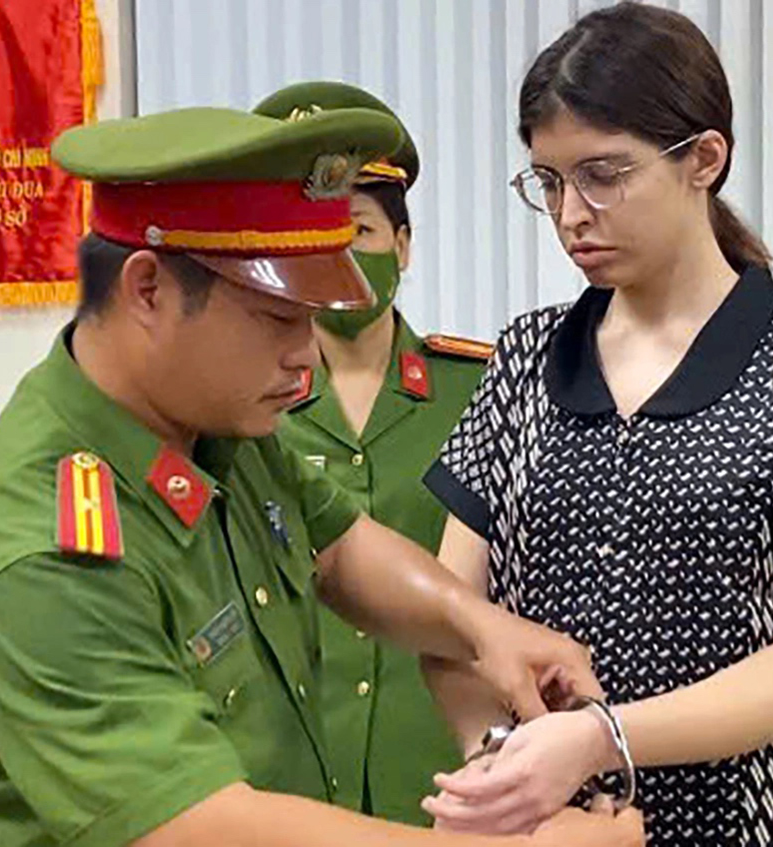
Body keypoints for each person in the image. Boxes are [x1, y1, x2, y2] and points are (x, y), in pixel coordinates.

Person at [0, 104, 642, 847]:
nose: (305, 356)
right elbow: (193, 827)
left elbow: (339, 546)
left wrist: (483, 629)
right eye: (276, 318)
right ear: (147, 290)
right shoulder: (42, 549)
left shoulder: (211, 426)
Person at [420, 3, 773, 845]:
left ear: (704, 159)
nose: (571, 213)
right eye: (548, 181)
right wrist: (501, 759)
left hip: (748, 819)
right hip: (556, 826)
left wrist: (602, 738)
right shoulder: (527, 356)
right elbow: (448, 617)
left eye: (602, 175)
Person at [257, 82, 488, 826]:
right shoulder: (246, 405)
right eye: (317, 237)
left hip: (440, 765)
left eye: (360, 229)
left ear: (403, 244)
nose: (342, 255)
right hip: (289, 772)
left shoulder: (479, 389)